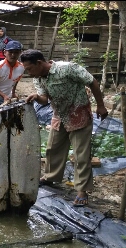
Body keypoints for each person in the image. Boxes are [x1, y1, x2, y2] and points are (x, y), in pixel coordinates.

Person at [20, 49, 109, 207]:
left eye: (29, 69)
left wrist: (100, 106)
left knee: (81, 154)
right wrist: (36, 97)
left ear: (39, 63)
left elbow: (92, 82)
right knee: (53, 148)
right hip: (59, 114)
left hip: (78, 112)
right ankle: (50, 177)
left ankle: (82, 190)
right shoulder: (39, 79)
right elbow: (45, 99)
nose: (28, 73)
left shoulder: (67, 68)